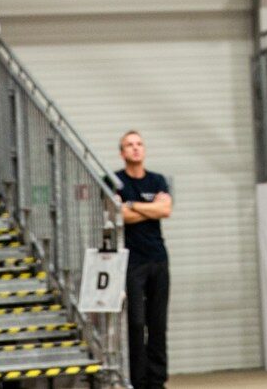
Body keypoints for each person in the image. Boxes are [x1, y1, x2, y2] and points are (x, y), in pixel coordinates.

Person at [116, 131, 171, 389]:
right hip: (132, 261)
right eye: (130, 145)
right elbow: (120, 216)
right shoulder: (115, 181)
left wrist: (133, 206)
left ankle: (157, 381)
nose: (135, 149)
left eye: (139, 144)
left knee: (157, 323)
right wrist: (150, 209)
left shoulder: (157, 179)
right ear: (122, 153)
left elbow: (165, 210)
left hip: (158, 259)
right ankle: (138, 381)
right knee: (136, 324)